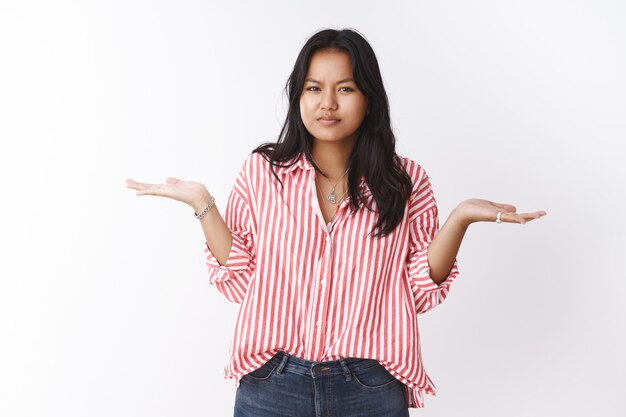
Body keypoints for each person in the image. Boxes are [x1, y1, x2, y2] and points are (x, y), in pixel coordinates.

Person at [126, 28, 546, 417]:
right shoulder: (262, 172)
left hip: (370, 386)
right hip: (272, 384)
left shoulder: (405, 181)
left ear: (369, 99)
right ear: (299, 96)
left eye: (345, 88)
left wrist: (460, 219)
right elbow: (239, 278)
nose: (328, 102)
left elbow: (418, 291)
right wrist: (202, 204)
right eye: (314, 88)